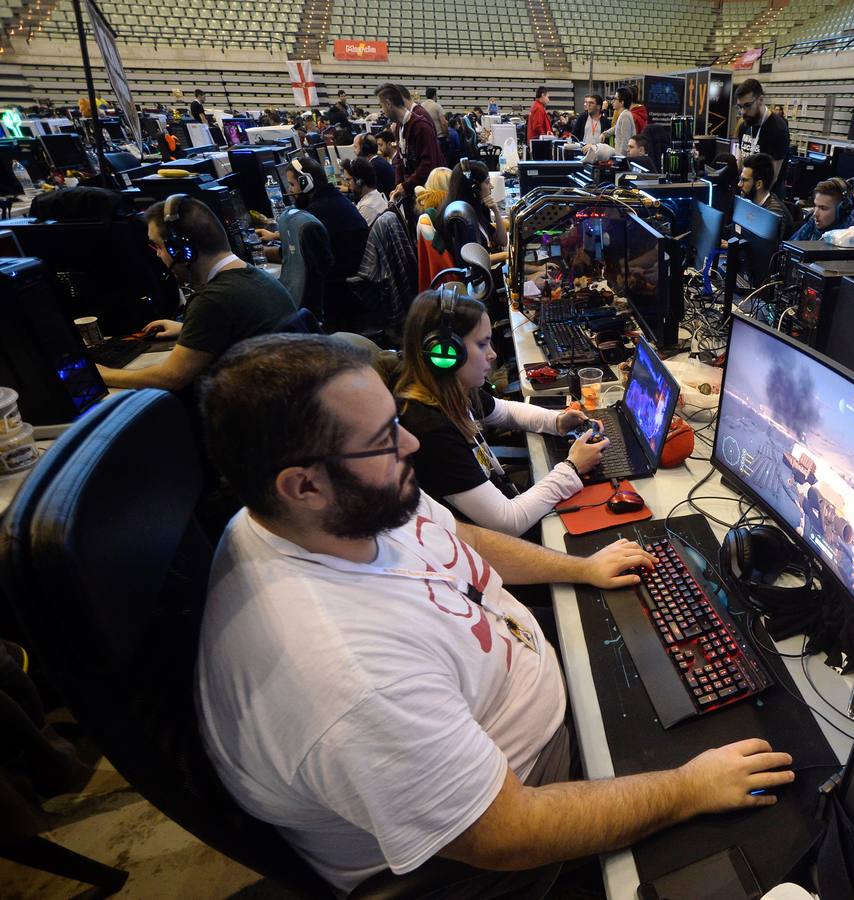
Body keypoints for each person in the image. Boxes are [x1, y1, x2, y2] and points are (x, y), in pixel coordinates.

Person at [195, 333, 794, 895]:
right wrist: (686, 790)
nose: (413, 444)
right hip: (520, 810)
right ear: (302, 486)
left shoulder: (341, 508)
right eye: (385, 438)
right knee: (783, 807)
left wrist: (578, 569)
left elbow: (455, 536)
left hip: (523, 708)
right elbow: (506, 834)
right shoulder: (346, 678)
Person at [395, 293, 607, 534]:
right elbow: (508, 523)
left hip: (504, 501)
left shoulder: (450, 390)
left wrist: (557, 421)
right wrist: (573, 466)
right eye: (482, 344)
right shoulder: (430, 429)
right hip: (494, 546)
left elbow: (503, 411)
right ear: (446, 354)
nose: (493, 354)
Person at [97, 197, 294, 391]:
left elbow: (171, 377)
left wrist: (104, 374)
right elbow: (237, 328)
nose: (157, 254)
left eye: (158, 246)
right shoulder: (252, 274)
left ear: (182, 251)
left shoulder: (212, 300)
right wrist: (188, 329)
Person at [258, 157, 369, 276]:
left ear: (307, 183)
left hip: (341, 282)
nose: (290, 190)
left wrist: (261, 252)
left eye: (292, 184)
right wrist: (276, 236)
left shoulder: (312, 215)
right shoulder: (334, 198)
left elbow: (295, 255)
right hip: (354, 271)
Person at [377, 82, 445, 206]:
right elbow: (400, 161)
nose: (383, 111)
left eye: (382, 106)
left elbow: (428, 164)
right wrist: (399, 186)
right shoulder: (398, 127)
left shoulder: (421, 126)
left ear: (388, 104)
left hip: (429, 195)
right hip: (413, 192)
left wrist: (406, 185)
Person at [733, 79, 790, 196]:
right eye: (740, 106)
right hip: (746, 191)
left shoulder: (778, 129)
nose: (743, 111)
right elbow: (741, 159)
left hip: (767, 197)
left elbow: (773, 176)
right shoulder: (745, 125)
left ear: (760, 100)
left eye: (748, 105)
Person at [446, 160, 508, 265]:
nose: (491, 186)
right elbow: (474, 262)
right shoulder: (461, 220)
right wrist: (508, 255)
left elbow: (502, 241)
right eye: (487, 182)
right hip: (482, 277)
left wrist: (496, 212)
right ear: (474, 188)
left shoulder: (475, 210)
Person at [737, 152, 791, 239]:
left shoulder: (774, 214)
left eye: (744, 180)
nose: (739, 184)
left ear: (758, 184)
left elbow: (767, 249)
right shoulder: (748, 201)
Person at [341, 157, 388, 227]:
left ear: (359, 181)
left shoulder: (367, 207)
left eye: (348, 179)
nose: (347, 184)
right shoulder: (374, 196)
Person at [600, 88, 635, 157]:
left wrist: (620, 160)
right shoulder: (623, 114)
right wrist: (604, 134)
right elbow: (616, 127)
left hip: (622, 158)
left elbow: (625, 141)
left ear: (622, 102)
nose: (612, 101)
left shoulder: (625, 116)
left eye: (615, 99)